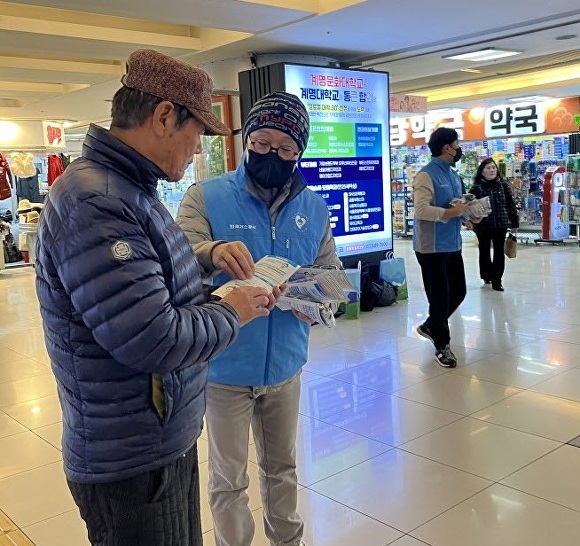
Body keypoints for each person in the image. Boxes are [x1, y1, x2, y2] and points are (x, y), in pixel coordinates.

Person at [34, 49, 281, 546]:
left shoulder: (130, 189)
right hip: (131, 459)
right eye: (198, 132)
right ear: (166, 116)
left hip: (157, 440)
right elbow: (154, 337)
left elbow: (151, 288)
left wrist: (209, 261)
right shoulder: (96, 200)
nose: (197, 149)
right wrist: (231, 310)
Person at [176, 90, 341, 546]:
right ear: (246, 140)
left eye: (287, 149)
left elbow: (332, 277)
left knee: (283, 469)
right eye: (264, 143)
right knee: (228, 479)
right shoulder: (205, 197)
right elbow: (178, 261)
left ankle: (289, 541)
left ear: (299, 153)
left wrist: (312, 298)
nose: (274, 155)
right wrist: (213, 252)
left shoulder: (314, 208)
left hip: (286, 363)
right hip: (223, 366)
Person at [413, 127, 470, 368]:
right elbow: (421, 210)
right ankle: (442, 346)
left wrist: (467, 214)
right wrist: (450, 212)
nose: (459, 149)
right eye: (456, 144)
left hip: (452, 244)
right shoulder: (425, 175)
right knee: (439, 297)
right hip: (431, 247)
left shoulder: (454, 175)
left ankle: (430, 326)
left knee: (459, 290)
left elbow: (458, 205)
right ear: (446, 147)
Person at [470, 158, 519, 291]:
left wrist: (514, 222)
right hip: (483, 226)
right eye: (488, 168)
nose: (492, 170)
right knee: (484, 251)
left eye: (493, 167)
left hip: (500, 224)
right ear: (482, 172)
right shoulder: (476, 188)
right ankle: (487, 275)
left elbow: (510, 205)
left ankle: (497, 280)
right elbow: (470, 206)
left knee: (499, 252)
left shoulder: (503, 186)